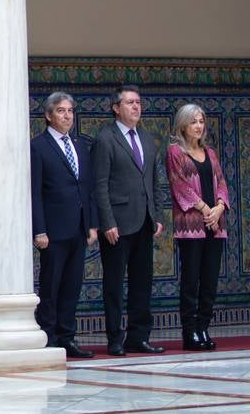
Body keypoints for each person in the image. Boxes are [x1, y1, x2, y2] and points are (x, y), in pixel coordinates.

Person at [94, 84, 165, 356]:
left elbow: (154, 181)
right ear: (116, 107)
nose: (136, 107)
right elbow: (100, 185)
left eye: (138, 102)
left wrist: (157, 214)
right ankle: (114, 337)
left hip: (144, 221)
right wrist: (107, 222)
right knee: (113, 283)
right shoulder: (106, 138)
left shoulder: (146, 138)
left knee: (142, 281)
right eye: (130, 103)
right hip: (117, 223)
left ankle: (139, 335)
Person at [29, 92, 97, 358]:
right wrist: (39, 229)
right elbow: (34, 191)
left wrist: (91, 224)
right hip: (53, 230)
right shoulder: (38, 146)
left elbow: (87, 187)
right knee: (51, 285)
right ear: (48, 115)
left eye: (70, 111)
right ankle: (48, 336)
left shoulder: (80, 145)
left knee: (72, 285)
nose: (67, 116)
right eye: (61, 111)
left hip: (78, 228)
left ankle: (67, 337)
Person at [165, 103, 230, 351]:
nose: (199, 126)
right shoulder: (175, 152)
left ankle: (204, 328)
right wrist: (205, 209)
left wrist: (220, 207)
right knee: (191, 280)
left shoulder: (210, 153)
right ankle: (189, 332)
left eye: (201, 121)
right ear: (183, 125)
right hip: (192, 226)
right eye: (194, 121)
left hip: (216, 224)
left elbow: (221, 182)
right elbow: (180, 186)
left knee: (210, 281)